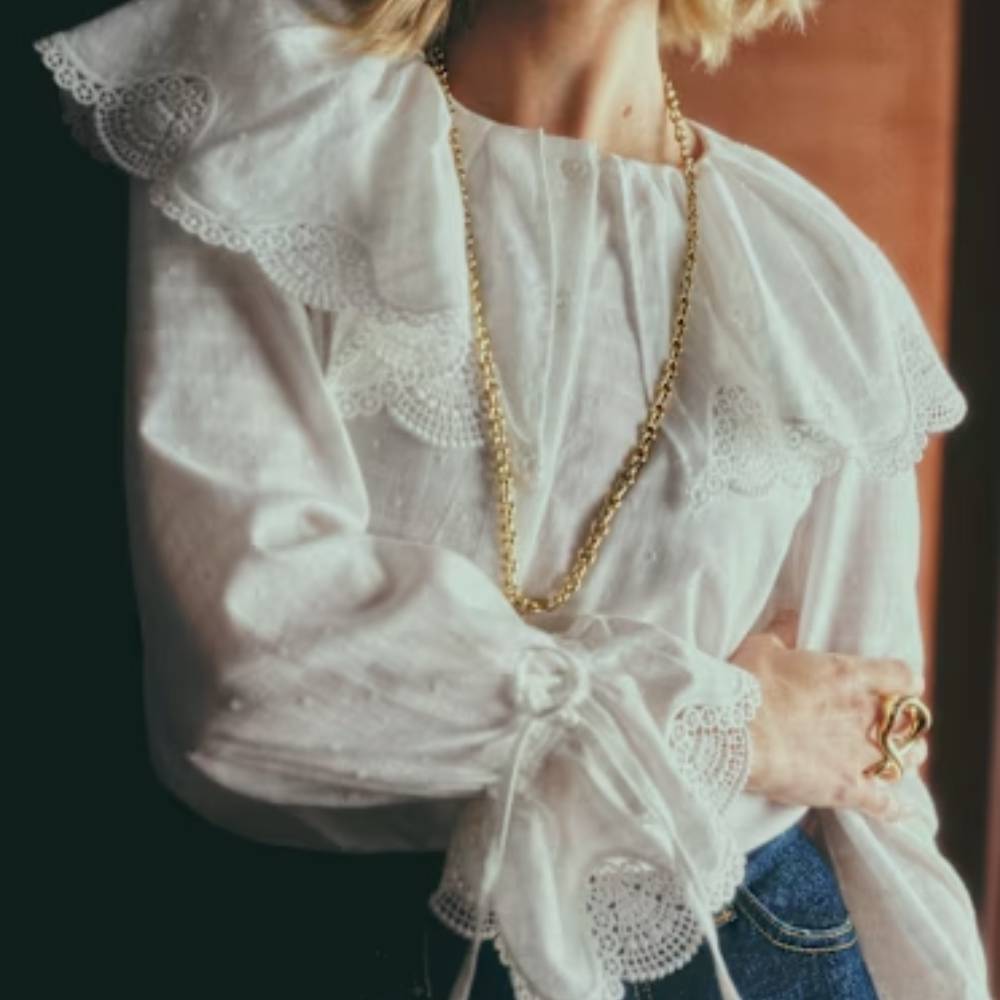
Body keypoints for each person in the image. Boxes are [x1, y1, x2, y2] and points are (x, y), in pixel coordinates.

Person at [32, 0, 992, 997]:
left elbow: (862, 759)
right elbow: (248, 670)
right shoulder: (271, 125)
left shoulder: (812, 277)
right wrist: (734, 728)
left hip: (751, 942)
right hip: (336, 941)